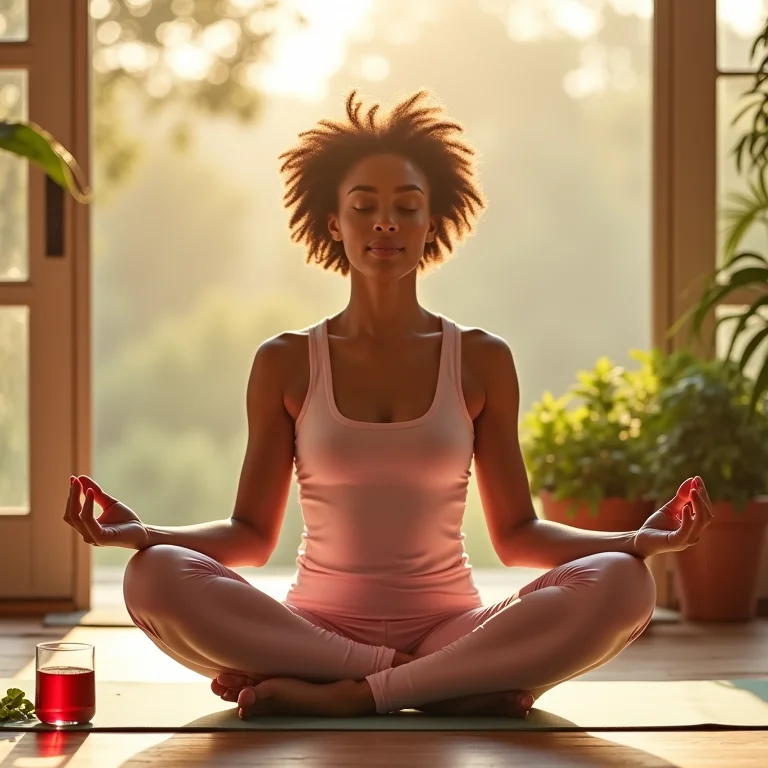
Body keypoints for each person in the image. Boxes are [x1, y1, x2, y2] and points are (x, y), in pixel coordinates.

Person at [63, 90, 714, 720]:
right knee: (151, 577)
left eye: (407, 206)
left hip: (452, 629)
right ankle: (434, 684)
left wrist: (636, 541)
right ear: (334, 222)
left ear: (432, 223)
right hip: (313, 631)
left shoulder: (481, 359)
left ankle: (354, 693)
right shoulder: (286, 361)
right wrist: (145, 535)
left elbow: (517, 535)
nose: (386, 222)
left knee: (627, 583)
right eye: (364, 205)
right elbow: (251, 537)